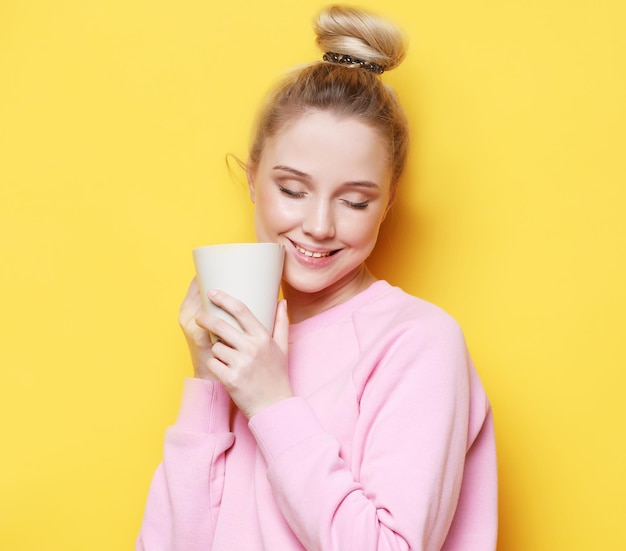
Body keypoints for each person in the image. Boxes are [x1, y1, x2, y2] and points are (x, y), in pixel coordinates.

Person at [136, 5, 497, 550]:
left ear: (387, 203)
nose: (320, 225)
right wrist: (209, 387)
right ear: (253, 178)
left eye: (354, 200)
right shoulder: (244, 345)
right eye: (293, 189)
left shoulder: (417, 342)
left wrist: (271, 404)